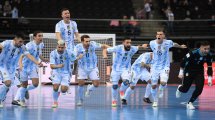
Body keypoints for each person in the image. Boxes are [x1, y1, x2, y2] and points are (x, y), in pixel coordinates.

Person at [0, 32, 42, 107]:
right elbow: (0, 46)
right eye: (20, 41)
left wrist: (37, 62)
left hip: (12, 69)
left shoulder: (22, 47)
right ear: (15, 39)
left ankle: (1, 99)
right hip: (2, 66)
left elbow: (29, 56)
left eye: (22, 42)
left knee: (8, 85)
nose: (21, 43)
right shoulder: (7, 43)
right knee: (8, 83)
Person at [106, 37, 148, 107]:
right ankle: (114, 100)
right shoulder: (118, 48)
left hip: (126, 69)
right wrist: (104, 55)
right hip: (115, 69)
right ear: (123, 43)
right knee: (115, 86)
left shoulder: (132, 48)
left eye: (130, 43)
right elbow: (106, 50)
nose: (129, 44)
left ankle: (121, 90)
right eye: (127, 42)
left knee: (126, 82)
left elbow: (138, 47)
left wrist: (143, 46)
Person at [149, 30, 186, 107]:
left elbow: (174, 44)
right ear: (156, 36)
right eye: (158, 34)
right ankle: (155, 100)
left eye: (161, 34)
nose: (159, 35)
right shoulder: (152, 43)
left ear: (164, 36)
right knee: (153, 85)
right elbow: (153, 52)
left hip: (165, 66)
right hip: (154, 67)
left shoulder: (168, 42)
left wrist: (180, 46)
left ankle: (161, 89)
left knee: (163, 82)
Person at [12, 31, 49, 106]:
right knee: (24, 84)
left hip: (33, 67)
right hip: (24, 67)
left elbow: (39, 54)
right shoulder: (29, 45)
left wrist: (44, 59)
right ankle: (21, 100)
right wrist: (20, 64)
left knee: (35, 84)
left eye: (42, 36)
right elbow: (21, 55)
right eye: (39, 36)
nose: (41, 37)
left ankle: (25, 90)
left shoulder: (41, 44)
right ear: (34, 37)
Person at [176, 41, 213, 110]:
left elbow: (209, 67)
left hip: (199, 72)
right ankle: (179, 88)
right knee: (185, 90)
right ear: (201, 48)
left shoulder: (209, 55)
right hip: (189, 71)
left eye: (208, 49)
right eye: (205, 49)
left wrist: (210, 79)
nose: (207, 50)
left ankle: (190, 103)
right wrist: (181, 72)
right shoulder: (193, 52)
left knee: (199, 89)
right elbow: (183, 61)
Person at [75, 35, 109, 106]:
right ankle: (80, 100)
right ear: (82, 41)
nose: (88, 42)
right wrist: (78, 57)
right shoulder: (77, 47)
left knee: (96, 84)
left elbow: (103, 46)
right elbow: (73, 57)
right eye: (86, 41)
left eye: (89, 41)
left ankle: (89, 89)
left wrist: (114, 48)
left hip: (93, 67)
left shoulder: (93, 44)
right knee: (81, 83)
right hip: (82, 68)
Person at [50, 40, 76, 108]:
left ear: (65, 47)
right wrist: (58, 66)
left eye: (62, 47)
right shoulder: (53, 53)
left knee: (63, 90)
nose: (60, 49)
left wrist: (74, 70)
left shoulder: (69, 53)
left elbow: (75, 60)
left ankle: (65, 87)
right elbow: (52, 66)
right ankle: (55, 102)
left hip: (66, 73)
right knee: (55, 87)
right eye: (59, 47)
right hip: (56, 72)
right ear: (57, 46)